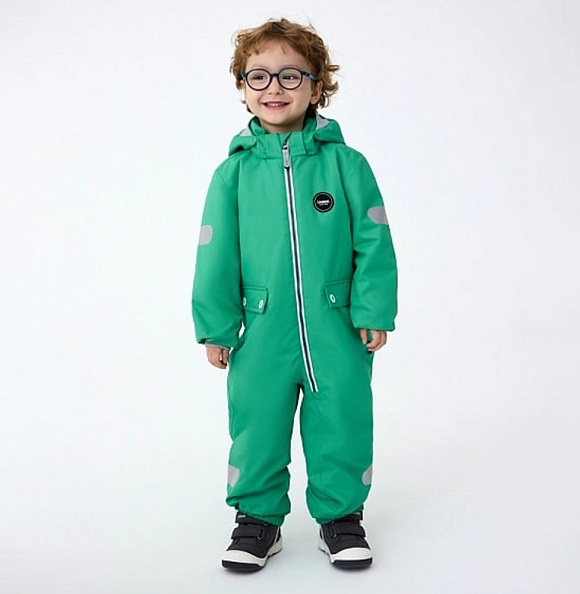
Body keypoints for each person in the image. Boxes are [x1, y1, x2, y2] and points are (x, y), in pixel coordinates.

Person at [191, 17, 397, 571]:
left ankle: (341, 518)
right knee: (256, 423)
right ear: (242, 88)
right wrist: (216, 326)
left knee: (342, 419)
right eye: (258, 76)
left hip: (337, 325)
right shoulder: (232, 175)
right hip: (260, 327)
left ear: (316, 86)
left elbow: (373, 240)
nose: (274, 88)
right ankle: (257, 520)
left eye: (290, 75)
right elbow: (216, 254)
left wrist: (373, 309)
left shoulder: (346, 165)